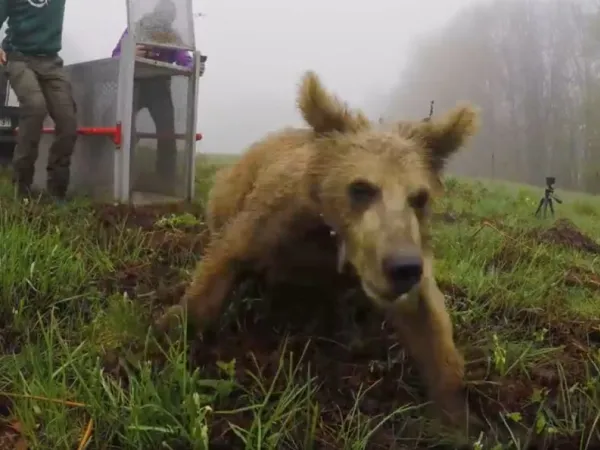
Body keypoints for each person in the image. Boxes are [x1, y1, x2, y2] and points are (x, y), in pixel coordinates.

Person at [112, 0, 205, 193]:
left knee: (167, 133)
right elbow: (115, 56)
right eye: (163, 14)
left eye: (170, 16)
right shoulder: (136, 29)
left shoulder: (171, 35)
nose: (166, 19)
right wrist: (131, 52)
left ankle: (165, 181)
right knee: (127, 130)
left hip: (159, 88)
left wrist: (196, 67)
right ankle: (125, 178)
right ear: (155, 13)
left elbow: (184, 59)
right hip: (135, 84)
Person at [0, 0, 77, 201]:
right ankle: (22, 187)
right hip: (19, 57)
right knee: (35, 107)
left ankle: (57, 190)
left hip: (51, 61)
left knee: (67, 120)